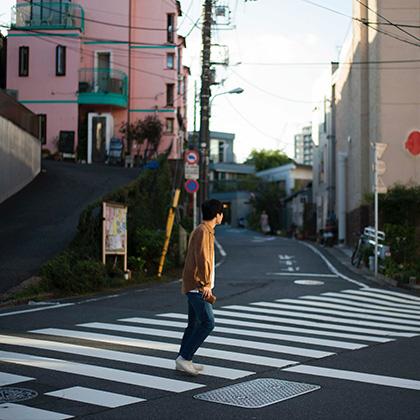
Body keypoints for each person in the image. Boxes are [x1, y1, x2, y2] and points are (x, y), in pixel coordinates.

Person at [175, 199, 224, 376]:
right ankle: (184, 358)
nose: (222, 216)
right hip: (198, 286)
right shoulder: (204, 232)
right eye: (221, 213)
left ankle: (184, 359)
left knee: (194, 324)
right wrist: (205, 285)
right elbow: (203, 259)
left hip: (195, 285)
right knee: (208, 323)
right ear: (217, 215)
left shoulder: (205, 231)